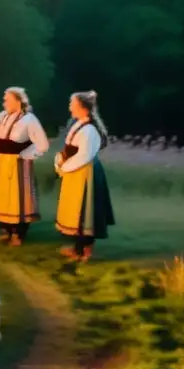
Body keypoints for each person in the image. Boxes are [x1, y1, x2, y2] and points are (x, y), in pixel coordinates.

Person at [54, 91, 115, 263]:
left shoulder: (89, 129)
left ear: (82, 107)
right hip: (75, 172)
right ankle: (77, 248)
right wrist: (60, 161)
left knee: (86, 211)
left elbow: (85, 155)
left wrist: (65, 167)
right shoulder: (79, 124)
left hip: (85, 173)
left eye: (72, 104)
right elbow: (69, 148)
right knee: (77, 211)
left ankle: (86, 251)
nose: (70, 107)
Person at [0, 87, 49, 246]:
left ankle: (18, 234)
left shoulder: (29, 119)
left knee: (18, 199)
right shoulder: (2, 116)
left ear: (18, 101)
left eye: (7, 99)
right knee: (3, 198)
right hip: (1, 162)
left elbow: (42, 144)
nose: (4, 102)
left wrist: (24, 155)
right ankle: (6, 230)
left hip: (19, 165)